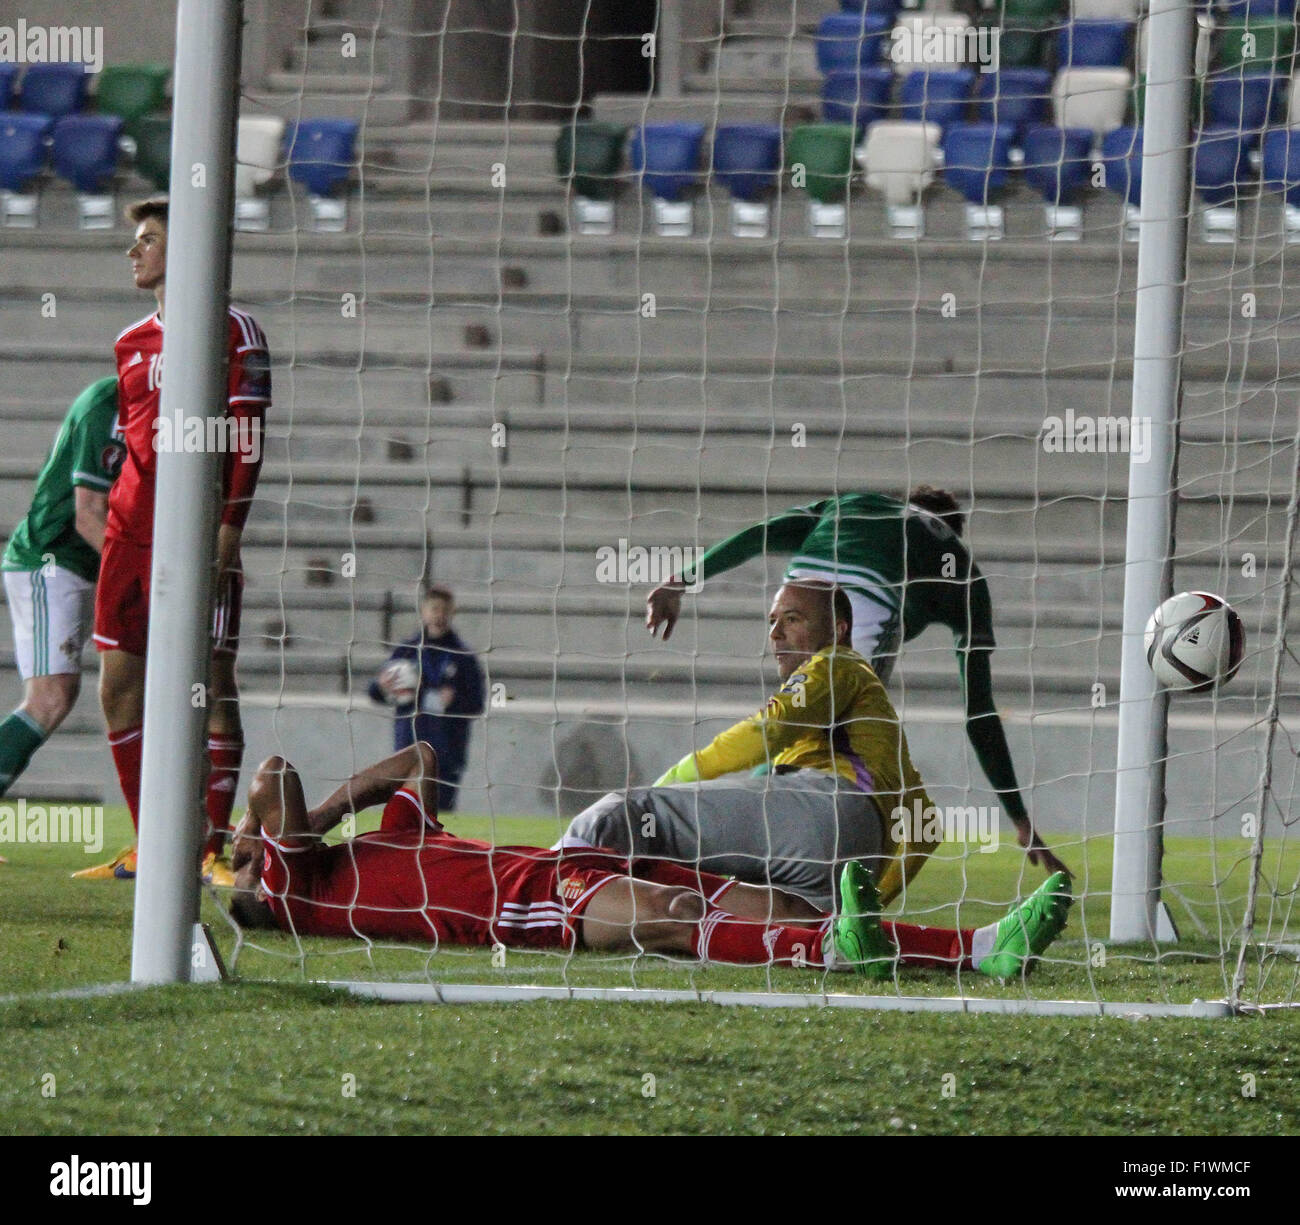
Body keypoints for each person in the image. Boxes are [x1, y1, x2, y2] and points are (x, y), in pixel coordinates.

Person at [228, 742, 1072, 980]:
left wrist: (336, 815)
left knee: (778, 906)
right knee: (673, 924)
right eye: (244, 844)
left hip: (571, 862)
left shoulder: (378, 843)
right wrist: (261, 840)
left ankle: (982, 947)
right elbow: (275, 775)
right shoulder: (296, 888)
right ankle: (836, 955)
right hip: (537, 912)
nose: (248, 834)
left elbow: (415, 757)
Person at [645, 487, 1068, 878]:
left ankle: (684, 827)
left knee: (793, 731)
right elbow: (979, 713)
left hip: (800, 591)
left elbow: (761, 534)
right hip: (867, 606)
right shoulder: (962, 572)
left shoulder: (854, 503)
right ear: (955, 531)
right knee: (826, 752)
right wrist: (1020, 818)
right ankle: (689, 828)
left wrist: (681, 581)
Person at [566, 580, 985, 911]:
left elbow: (766, 730)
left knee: (628, 814)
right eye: (771, 621)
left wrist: (669, 785)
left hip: (822, 811)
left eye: (793, 619)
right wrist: (871, 901)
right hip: (847, 864)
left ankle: (536, 883)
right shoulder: (869, 722)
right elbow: (925, 825)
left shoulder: (836, 663)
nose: (776, 633)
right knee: (709, 901)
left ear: (839, 631)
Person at [76, 196, 271, 884]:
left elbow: (245, 444)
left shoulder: (235, 330)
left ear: (185, 249)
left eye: (148, 239)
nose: (135, 251)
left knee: (212, 679)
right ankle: (154, 841)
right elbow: (134, 447)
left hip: (199, 535)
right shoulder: (130, 343)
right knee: (117, 688)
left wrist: (227, 533)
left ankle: (207, 846)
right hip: (132, 538)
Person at [0, 377, 124, 823]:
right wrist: (141, 573)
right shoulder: (108, 404)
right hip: (50, 560)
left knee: (60, 697)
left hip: (83, 564)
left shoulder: (167, 410)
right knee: (49, 697)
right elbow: (89, 513)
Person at [368, 585, 484, 811]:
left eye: (444, 610)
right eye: (434, 609)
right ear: (424, 611)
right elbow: (374, 693)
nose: (439, 615)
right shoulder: (406, 651)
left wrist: (454, 701)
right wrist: (382, 687)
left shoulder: (464, 656)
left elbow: (477, 704)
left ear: (452, 613)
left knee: (440, 814)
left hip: (448, 749)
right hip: (408, 746)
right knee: (406, 811)